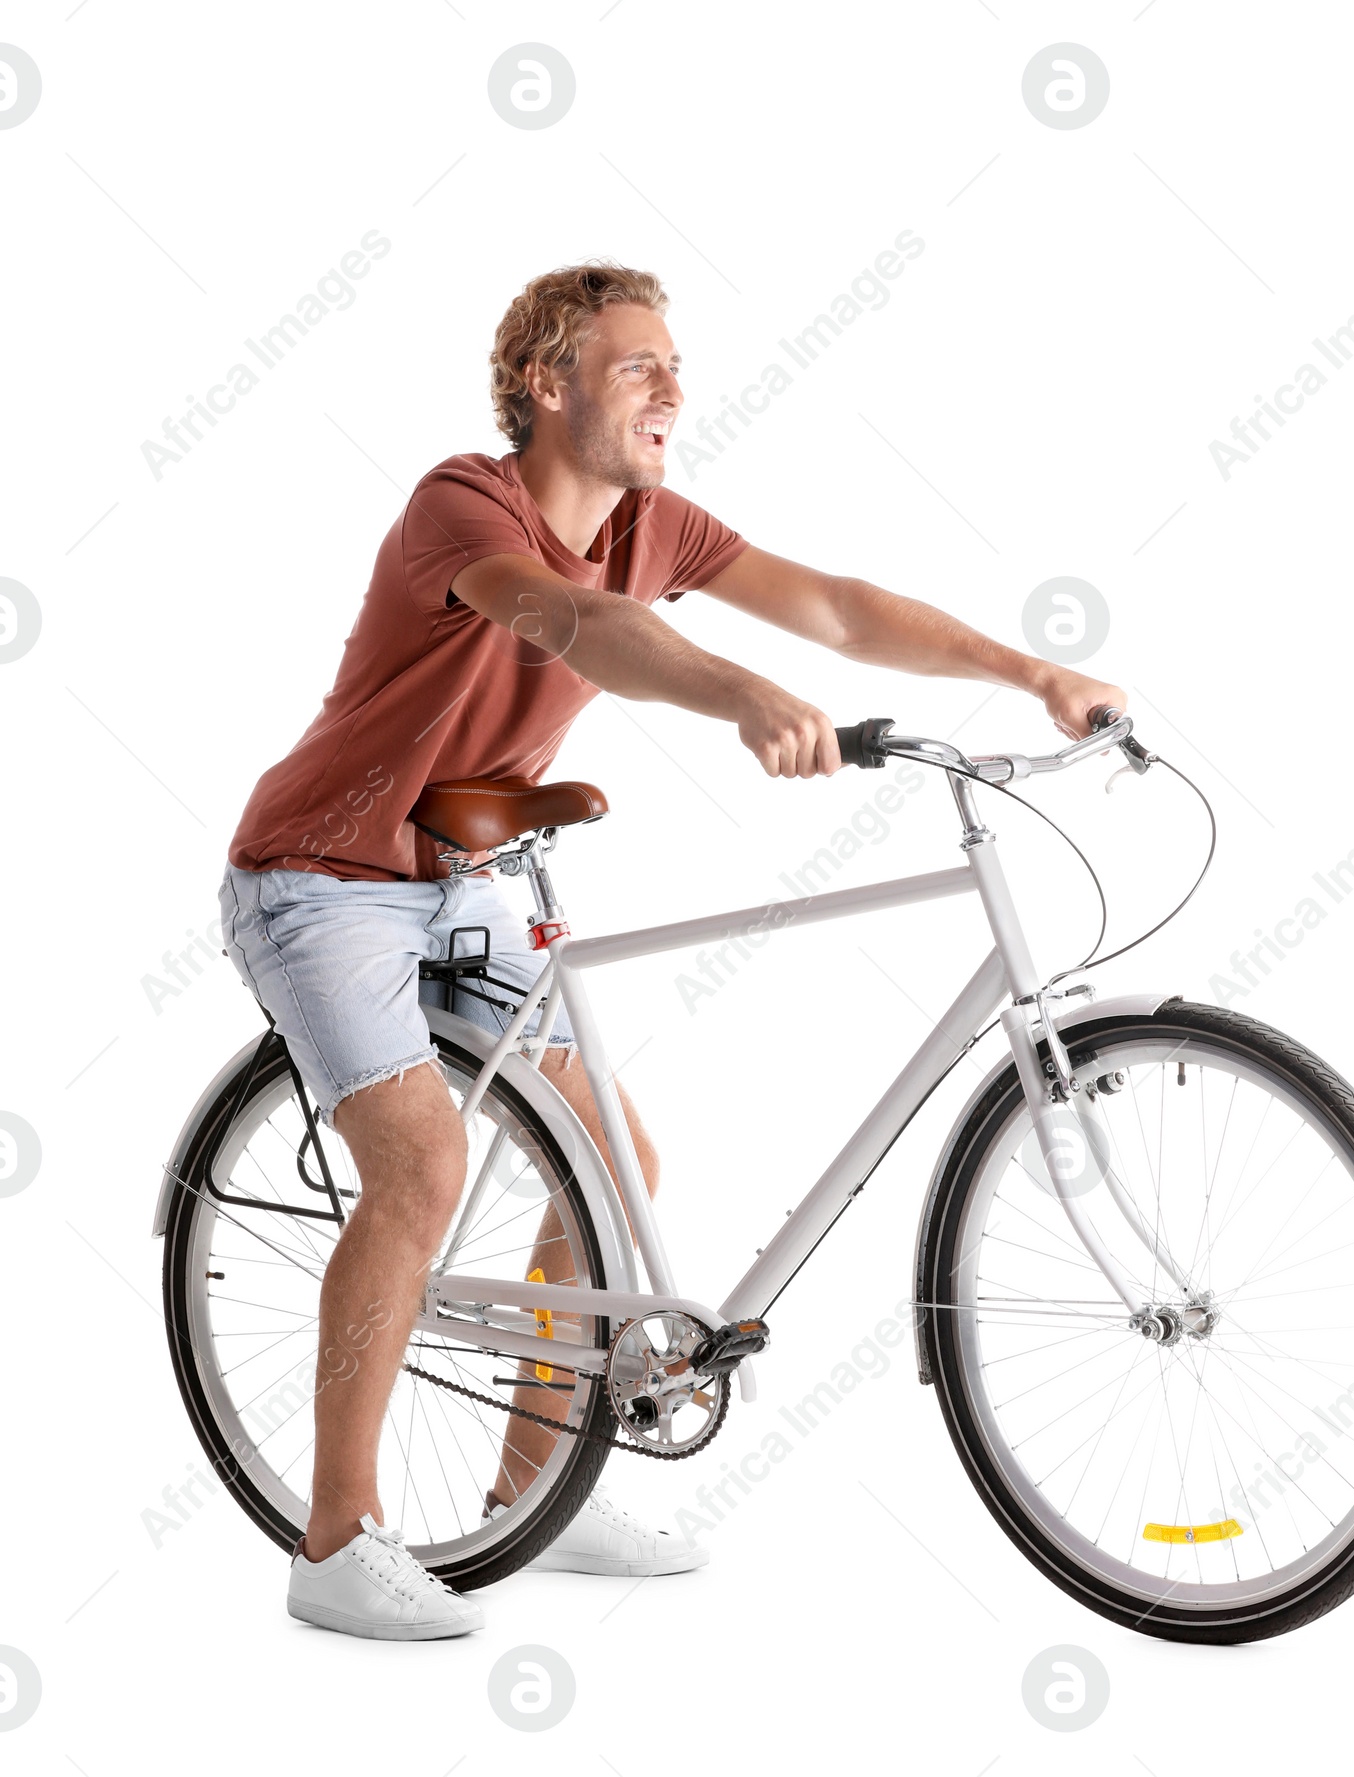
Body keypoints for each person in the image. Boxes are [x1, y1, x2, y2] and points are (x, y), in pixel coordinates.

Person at [220, 260, 1127, 1639]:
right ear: (549, 381)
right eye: (640, 364)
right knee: (423, 1157)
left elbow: (835, 606)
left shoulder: (654, 522)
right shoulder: (462, 502)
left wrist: (1030, 673)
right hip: (325, 870)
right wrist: (739, 694)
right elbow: (578, 621)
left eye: (674, 366)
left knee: (610, 1161)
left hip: (470, 864)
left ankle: (543, 1489)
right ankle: (336, 1541)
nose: (674, 390)